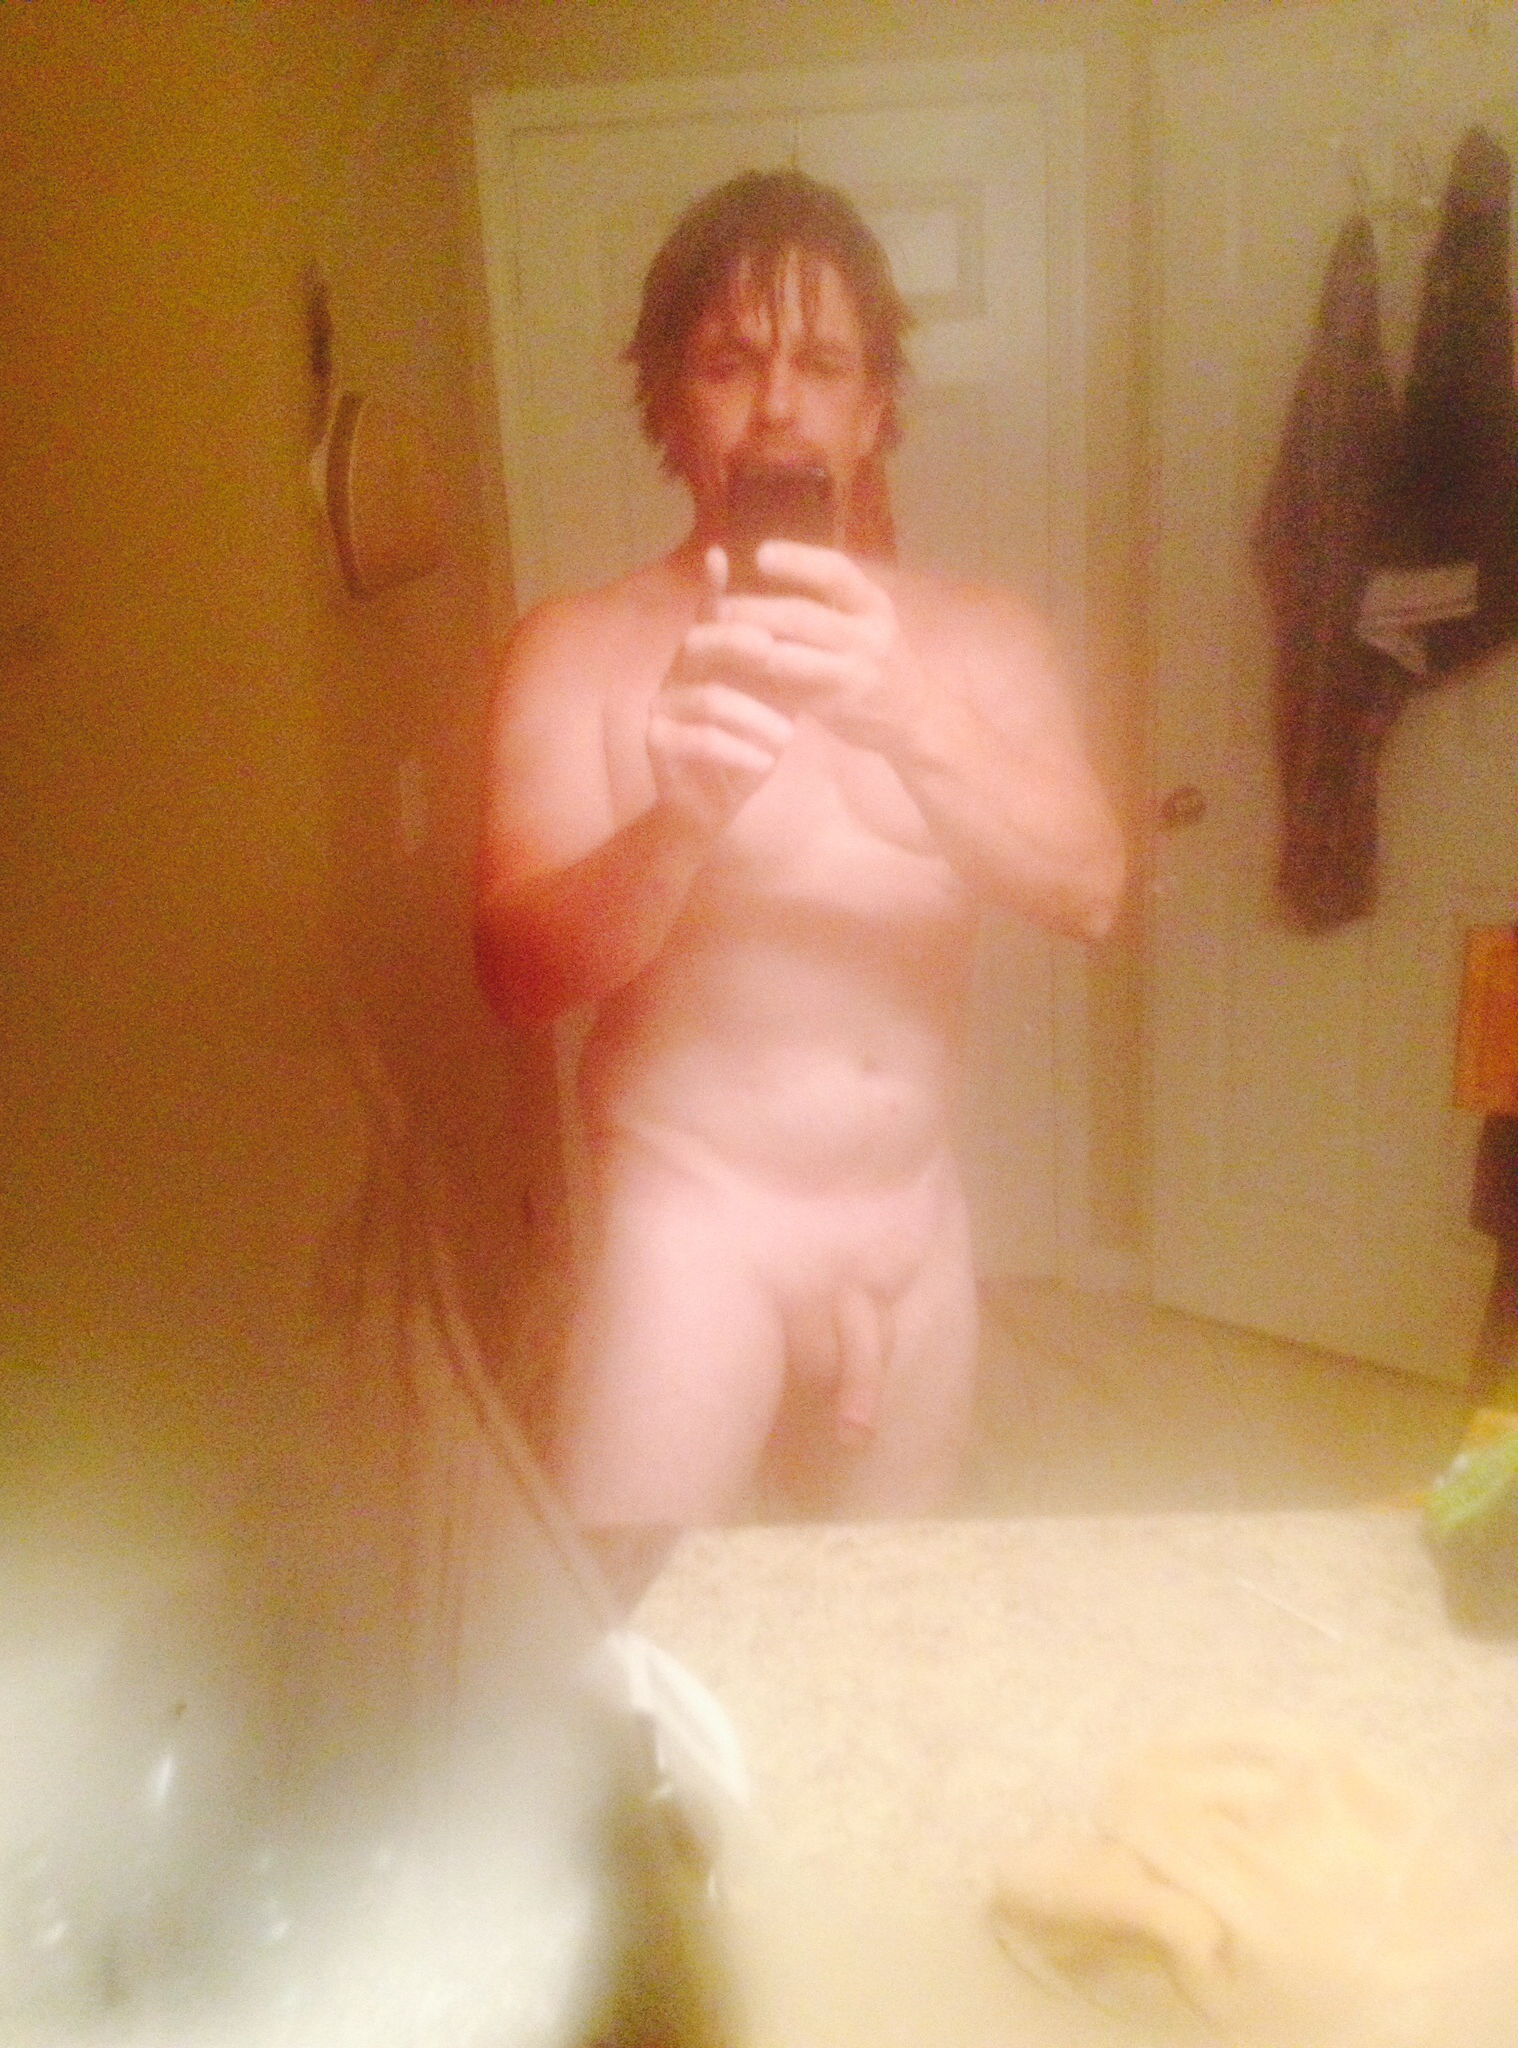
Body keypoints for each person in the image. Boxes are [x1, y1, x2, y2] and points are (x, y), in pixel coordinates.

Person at [477, 171, 1123, 1583]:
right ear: (671, 407)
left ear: (875, 407)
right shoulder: (577, 648)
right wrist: (678, 823)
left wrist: (912, 716)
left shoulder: (982, 640)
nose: (778, 406)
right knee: (638, 1622)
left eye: (822, 364)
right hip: (694, 1219)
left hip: (911, 1219)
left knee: (881, 1622)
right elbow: (516, 981)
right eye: (730, 364)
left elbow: (1091, 890)